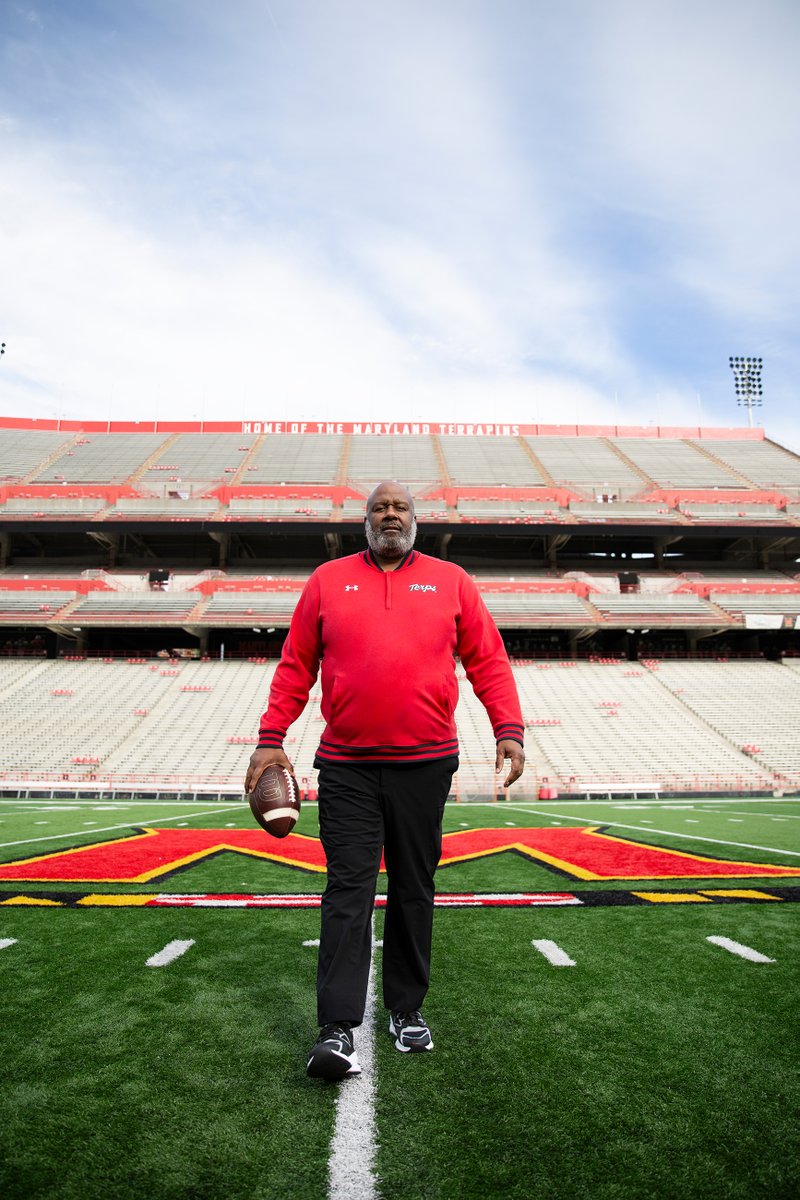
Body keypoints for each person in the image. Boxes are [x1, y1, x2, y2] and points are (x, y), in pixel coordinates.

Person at [245, 481, 524, 1080]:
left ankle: (405, 1009)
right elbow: (296, 665)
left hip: (425, 762)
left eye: (400, 508)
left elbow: (487, 659)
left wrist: (509, 726)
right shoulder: (327, 579)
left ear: (415, 520)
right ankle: (338, 1026)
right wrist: (271, 740)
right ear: (364, 520)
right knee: (347, 890)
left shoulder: (452, 581)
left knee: (413, 888)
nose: (390, 516)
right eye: (380, 508)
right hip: (345, 763)